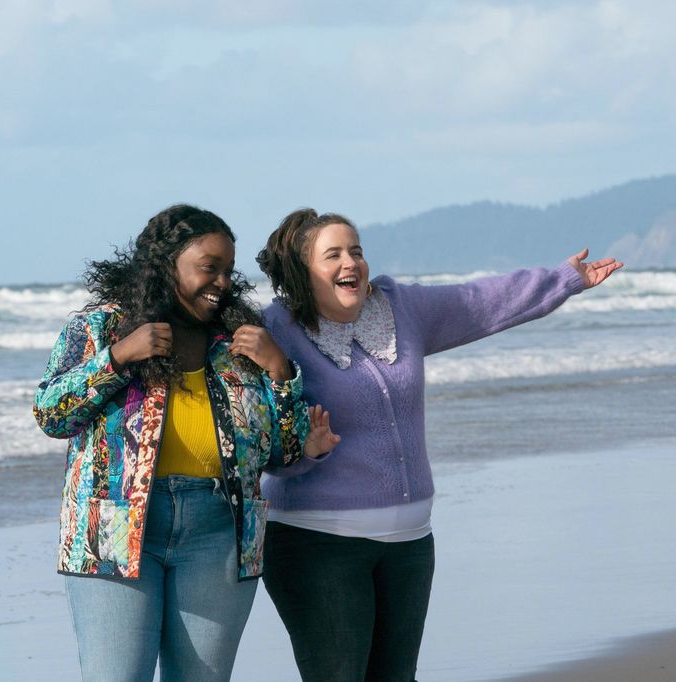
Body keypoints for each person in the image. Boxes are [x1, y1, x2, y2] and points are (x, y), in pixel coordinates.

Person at [256, 208, 623, 682]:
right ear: (303, 272)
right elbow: (261, 450)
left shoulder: (398, 307)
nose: (351, 262)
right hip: (318, 543)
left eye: (356, 251)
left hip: (410, 544)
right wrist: (307, 450)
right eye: (334, 255)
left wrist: (562, 280)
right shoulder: (277, 330)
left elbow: (479, 302)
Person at [33, 204, 338, 682]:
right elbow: (51, 413)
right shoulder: (102, 328)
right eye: (208, 267)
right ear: (166, 265)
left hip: (221, 530)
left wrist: (280, 371)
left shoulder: (239, 343)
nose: (221, 282)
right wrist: (119, 357)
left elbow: (282, 453)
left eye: (228, 270)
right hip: (115, 529)